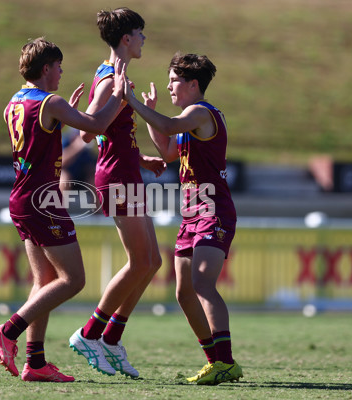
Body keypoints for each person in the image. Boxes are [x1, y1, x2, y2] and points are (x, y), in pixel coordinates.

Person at [0, 37, 126, 383]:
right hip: (43, 200)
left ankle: (35, 363)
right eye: (59, 66)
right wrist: (121, 98)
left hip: (21, 197)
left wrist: (67, 116)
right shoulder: (51, 101)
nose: (62, 71)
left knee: (45, 281)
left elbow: (44, 135)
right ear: (46, 68)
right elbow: (95, 127)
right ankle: (9, 330)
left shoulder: (15, 102)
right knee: (73, 279)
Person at [122, 52, 244, 385]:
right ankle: (216, 362)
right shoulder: (190, 119)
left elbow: (168, 125)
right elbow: (168, 151)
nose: (169, 86)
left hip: (213, 210)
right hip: (193, 212)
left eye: (174, 80)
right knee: (184, 292)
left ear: (192, 84)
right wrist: (148, 114)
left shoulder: (199, 112)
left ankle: (226, 361)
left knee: (202, 284)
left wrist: (133, 102)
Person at [68, 8, 166, 378]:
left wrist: (142, 158)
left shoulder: (114, 74)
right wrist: (118, 99)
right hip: (117, 178)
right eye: (140, 33)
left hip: (128, 172)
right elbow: (88, 132)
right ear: (126, 37)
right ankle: (91, 334)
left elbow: (110, 133)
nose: (144, 39)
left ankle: (111, 338)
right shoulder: (111, 79)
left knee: (153, 262)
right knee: (140, 262)